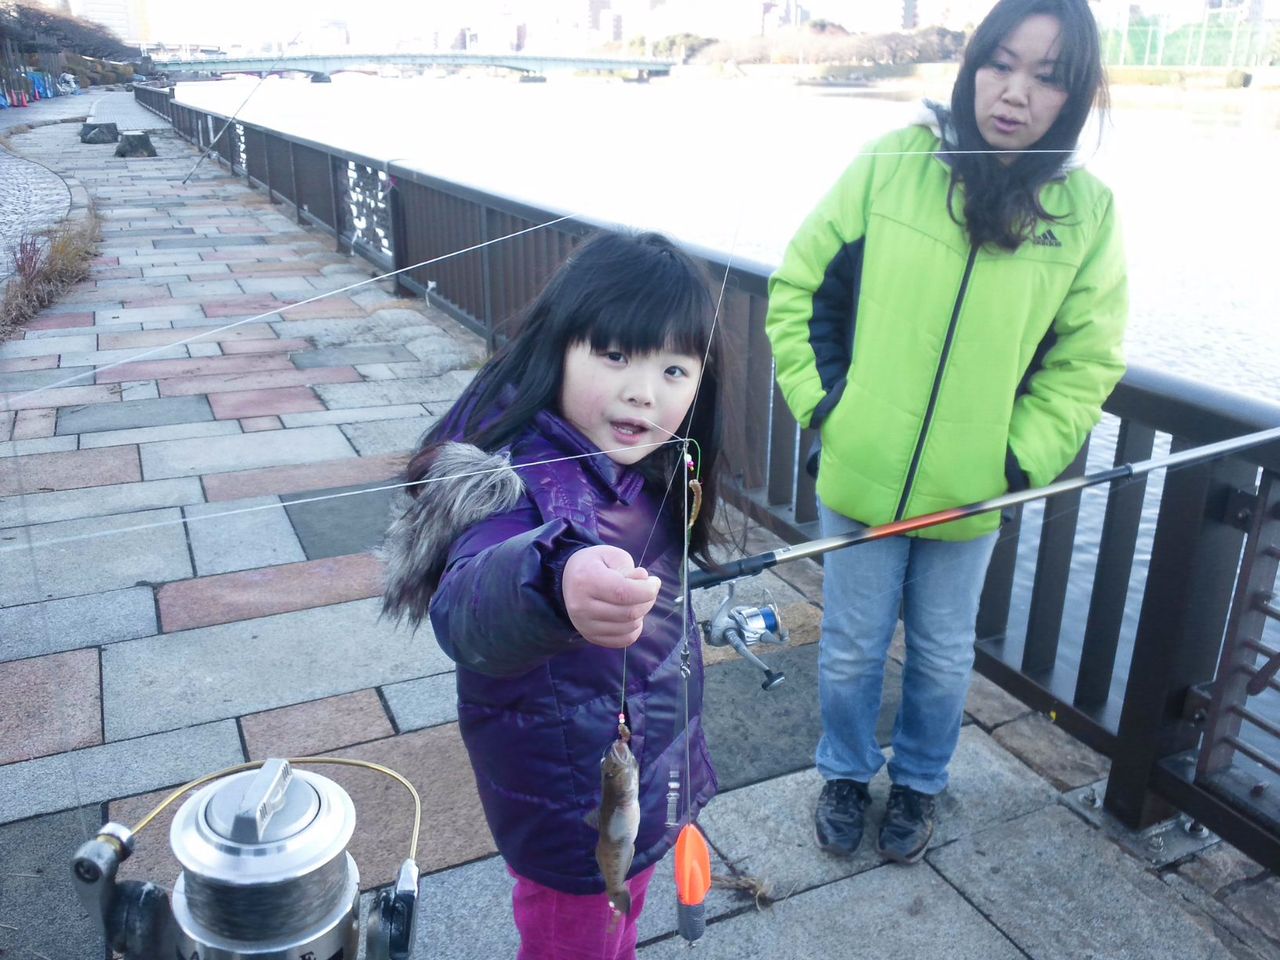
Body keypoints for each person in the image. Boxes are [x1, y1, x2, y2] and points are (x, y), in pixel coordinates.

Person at [765, 0, 1127, 865]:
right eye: (1002, 64)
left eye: (1048, 77)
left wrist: (1015, 458)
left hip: (969, 496)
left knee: (939, 656)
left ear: (1072, 97)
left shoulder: (1086, 212)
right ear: (972, 68)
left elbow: (1087, 360)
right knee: (851, 650)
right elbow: (801, 288)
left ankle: (922, 784)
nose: (1015, 93)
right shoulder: (893, 162)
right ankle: (845, 773)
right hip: (860, 478)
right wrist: (830, 410)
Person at [381, 230, 723, 959]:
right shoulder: (510, 474)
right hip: (566, 806)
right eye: (614, 355)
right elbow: (466, 605)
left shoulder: (655, 465)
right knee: (577, 938)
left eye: (673, 368)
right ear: (558, 347)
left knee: (619, 927)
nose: (643, 390)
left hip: (649, 774)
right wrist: (553, 581)